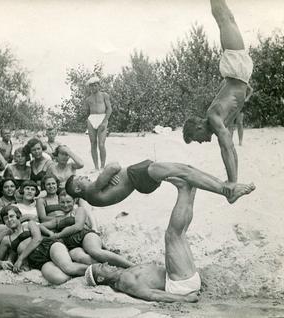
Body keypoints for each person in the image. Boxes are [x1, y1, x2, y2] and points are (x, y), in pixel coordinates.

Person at [84, 178, 201, 303]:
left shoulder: (123, 275)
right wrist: (185, 299)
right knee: (172, 235)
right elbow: (152, 295)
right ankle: (184, 189)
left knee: (180, 233)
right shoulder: (124, 282)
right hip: (180, 284)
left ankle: (191, 189)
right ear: (101, 279)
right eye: (102, 266)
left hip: (181, 278)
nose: (106, 264)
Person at [182, 0, 253, 184]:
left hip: (236, 69)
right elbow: (231, 149)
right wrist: (234, 182)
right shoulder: (218, 119)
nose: (201, 142)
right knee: (226, 18)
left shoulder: (213, 118)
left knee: (223, 18)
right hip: (239, 74)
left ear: (198, 127)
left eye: (196, 139)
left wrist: (231, 183)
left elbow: (226, 148)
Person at [65, 160, 255, 206]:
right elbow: (113, 166)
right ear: (77, 188)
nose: (84, 176)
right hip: (137, 176)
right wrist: (108, 173)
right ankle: (226, 191)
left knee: (187, 170)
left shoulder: (93, 194)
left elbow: (112, 171)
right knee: (185, 171)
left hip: (137, 178)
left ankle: (226, 187)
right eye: (80, 178)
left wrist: (107, 177)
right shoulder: (90, 192)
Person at [0, 205, 89, 285]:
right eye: (6, 218)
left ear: (18, 216)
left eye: (11, 216)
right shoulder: (6, 240)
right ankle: (87, 274)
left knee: (68, 268)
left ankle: (98, 270)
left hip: (49, 247)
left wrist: (20, 258)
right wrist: (2, 263)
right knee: (59, 279)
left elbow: (37, 239)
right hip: (38, 261)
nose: (9, 220)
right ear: (4, 222)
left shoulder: (29, 224)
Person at [41, 191, 132, 268]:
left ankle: (131, 266)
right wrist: (49, 232)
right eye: (62, 202)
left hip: (85, 235)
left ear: (74, 201)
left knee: (94, 251)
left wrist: (58, 235)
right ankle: (114, 269)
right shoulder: (58, 219)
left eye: (68, 201)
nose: (65, 205)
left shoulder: (79, 210)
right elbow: (40, 226)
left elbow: (78, 227)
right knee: (81, 258)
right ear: (58, 202)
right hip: (72, 245)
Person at [84, 76, 112, 170]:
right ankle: (96, 167)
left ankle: (102, 166)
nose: (93, 88)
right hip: (92, 119)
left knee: (101, 144)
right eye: (91, 86)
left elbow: (109, 109)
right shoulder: (88, 99)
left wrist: (104, 122)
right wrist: (88, 121)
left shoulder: (104, 95)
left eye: (95, 85)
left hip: (102, 118)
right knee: (93, 143)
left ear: (99, 85)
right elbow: (87, 112)